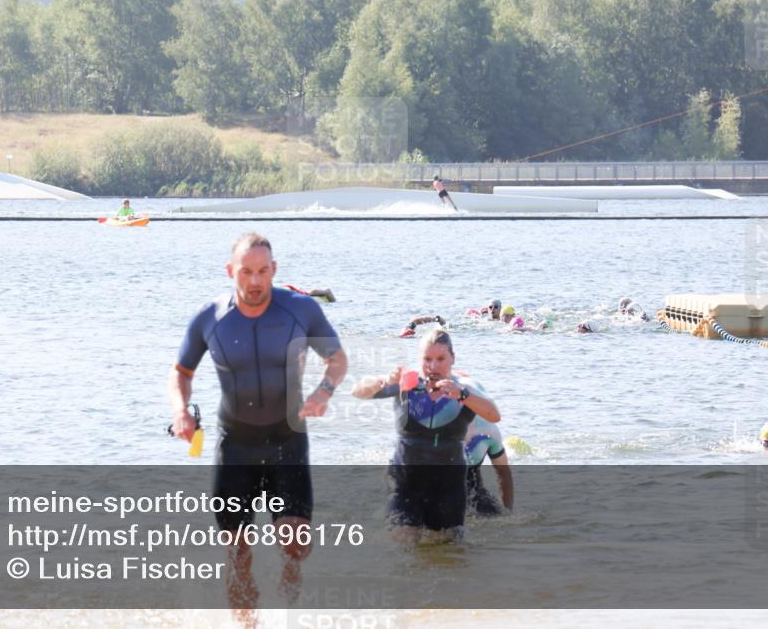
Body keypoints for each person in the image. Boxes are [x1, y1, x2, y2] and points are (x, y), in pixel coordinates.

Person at [168, 232, 348, 609]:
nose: (254, 281)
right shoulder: (210, 318)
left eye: (263, 271)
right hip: (235, 446)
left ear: (274, 270)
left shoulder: (301, 310)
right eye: (246, 271)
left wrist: (324, 391)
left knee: (296, 543)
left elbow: (337, 359)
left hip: (288, 442)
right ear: (230, 270)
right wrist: (181, 411)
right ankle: (245, 621)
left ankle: (289, 595)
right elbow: (181, 372)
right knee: (236, 556)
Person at [351, 329, 500, 542]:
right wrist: (383, 381)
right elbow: (357, 391)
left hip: (449, 485)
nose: (433, 366)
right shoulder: (406, 385)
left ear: (452, 358)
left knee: (449, 552)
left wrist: (463, 395)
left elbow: (494, 415)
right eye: (427, 359)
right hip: (405, 482)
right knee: (401, 541)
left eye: (440, 359)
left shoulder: (463, 389)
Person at [464, 416, 514, 515]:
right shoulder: (431, 422)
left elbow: (503, 471)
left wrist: (508, 511)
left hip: (472, 484)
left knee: (495, 515)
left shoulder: (488, 430)